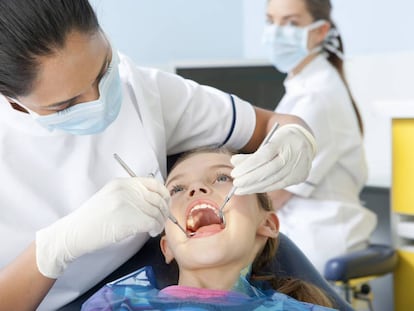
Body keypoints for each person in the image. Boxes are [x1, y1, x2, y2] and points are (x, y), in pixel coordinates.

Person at [0, 1, 317, 310]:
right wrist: (53, 249)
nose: (97, 100)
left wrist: (295, 136)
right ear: (11, 98)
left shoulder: (143, 90)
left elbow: (272, 124)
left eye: (103, 71)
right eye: (66, 105)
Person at [81, 148, 337, 310]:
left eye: (223, 178)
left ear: (267, 224)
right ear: (167, 246)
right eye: (177, 189)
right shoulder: (117, 304)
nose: (196, 190)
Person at [261, 0, 377, 273]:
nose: (276, 32)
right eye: (270, 21)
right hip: (302, 231)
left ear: (321, 31)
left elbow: (273, 195)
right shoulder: (306, 86)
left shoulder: (317, 97)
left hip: (318, 238)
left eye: (291, 23)